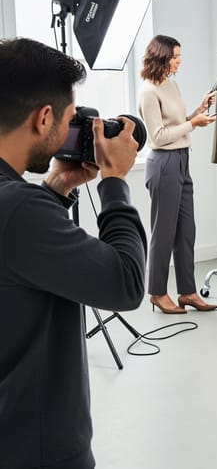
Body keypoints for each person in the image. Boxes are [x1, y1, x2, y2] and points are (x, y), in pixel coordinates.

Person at [0, 37, 146, 469]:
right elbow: (126, 283)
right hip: (38, 448)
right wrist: (115, 181)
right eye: (68, 119)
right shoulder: (20, 210)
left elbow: (19, 259)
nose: (70, 131)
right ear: (43, 118)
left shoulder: (17, 206)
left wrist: (57, 188)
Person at [138, 35, 217, 314]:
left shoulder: (171, 84)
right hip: (163, 164)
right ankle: (157, 292)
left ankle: (188, 291)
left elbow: (178, 125)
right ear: (161, 57)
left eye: (179, 57)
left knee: (186, 230)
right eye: (175, 57)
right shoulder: (148, 91)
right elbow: (158, 137)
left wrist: (198, 111)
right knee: (164, 231)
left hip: (182, 161)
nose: (179, 62)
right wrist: (192, 124)